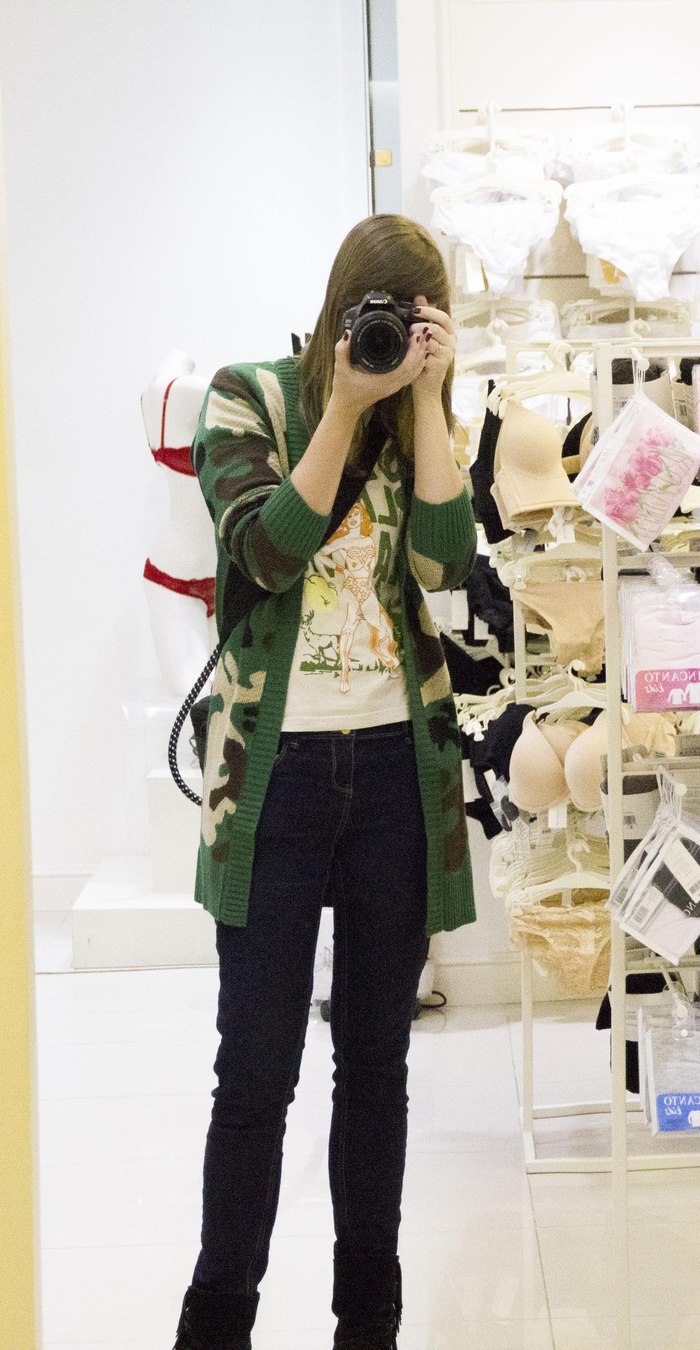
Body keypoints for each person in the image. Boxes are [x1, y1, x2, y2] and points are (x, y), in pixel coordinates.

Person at [173, 214, 477, 1350]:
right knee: (255, 1072)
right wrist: (346, 404)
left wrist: (427, 402)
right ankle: (219, 1323)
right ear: (344, 304)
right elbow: (263, 549)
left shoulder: (418, 421)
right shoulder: (245, 396)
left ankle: (370, 1323)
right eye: (382, 313)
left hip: (396, 772)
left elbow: (446, 563)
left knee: (376, 1068)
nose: (394, 335)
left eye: (418, 320)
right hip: (275, 782)